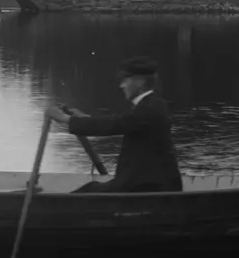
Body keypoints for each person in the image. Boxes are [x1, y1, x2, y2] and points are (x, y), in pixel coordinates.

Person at [44, 57, 183, 194]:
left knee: (87, 192)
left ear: (139, 82)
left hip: (148, 186)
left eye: (125, 80)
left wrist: (67, 119)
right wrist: (86, 119)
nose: (121, 86)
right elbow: (120, 121)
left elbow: (114, 124)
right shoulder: (151, 105)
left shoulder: (149, 108)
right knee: (91, 188)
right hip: (148, 183)